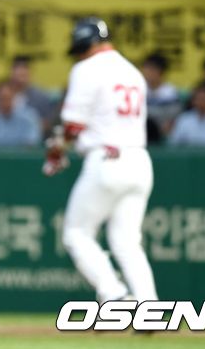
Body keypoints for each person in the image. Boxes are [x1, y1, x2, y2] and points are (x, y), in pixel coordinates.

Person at [43, 17, 158, 304]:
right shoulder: (133, 72)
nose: (79, 55)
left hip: (106, 160)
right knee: (127, 242)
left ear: (86, 44)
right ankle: (149, 305)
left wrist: (58, 149)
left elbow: (73, 126)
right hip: (139, 160)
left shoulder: (87, 69)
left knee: (76, 234)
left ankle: (114, 295)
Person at [140, 52, 182, 143]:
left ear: (160, 72)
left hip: (163, 133)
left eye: (151, 69)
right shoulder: (139, 89)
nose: (147, 72)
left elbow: (174, 119)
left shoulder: (170, 92)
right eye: (146, 68)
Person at [9, 55, 55, 135]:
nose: (21, 72)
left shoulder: (41, 97)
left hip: (32, 140)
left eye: (25, 69)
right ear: (11, 71)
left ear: (30, 72)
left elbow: (48, 123)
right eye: (17, 69)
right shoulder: (2, 95)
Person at [0, 80, 41, 148]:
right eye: (1, 99)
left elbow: (31, 143)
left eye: (7, 98)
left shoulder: (29, 117)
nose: (5, 102)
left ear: (15, 97)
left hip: (22, 154)